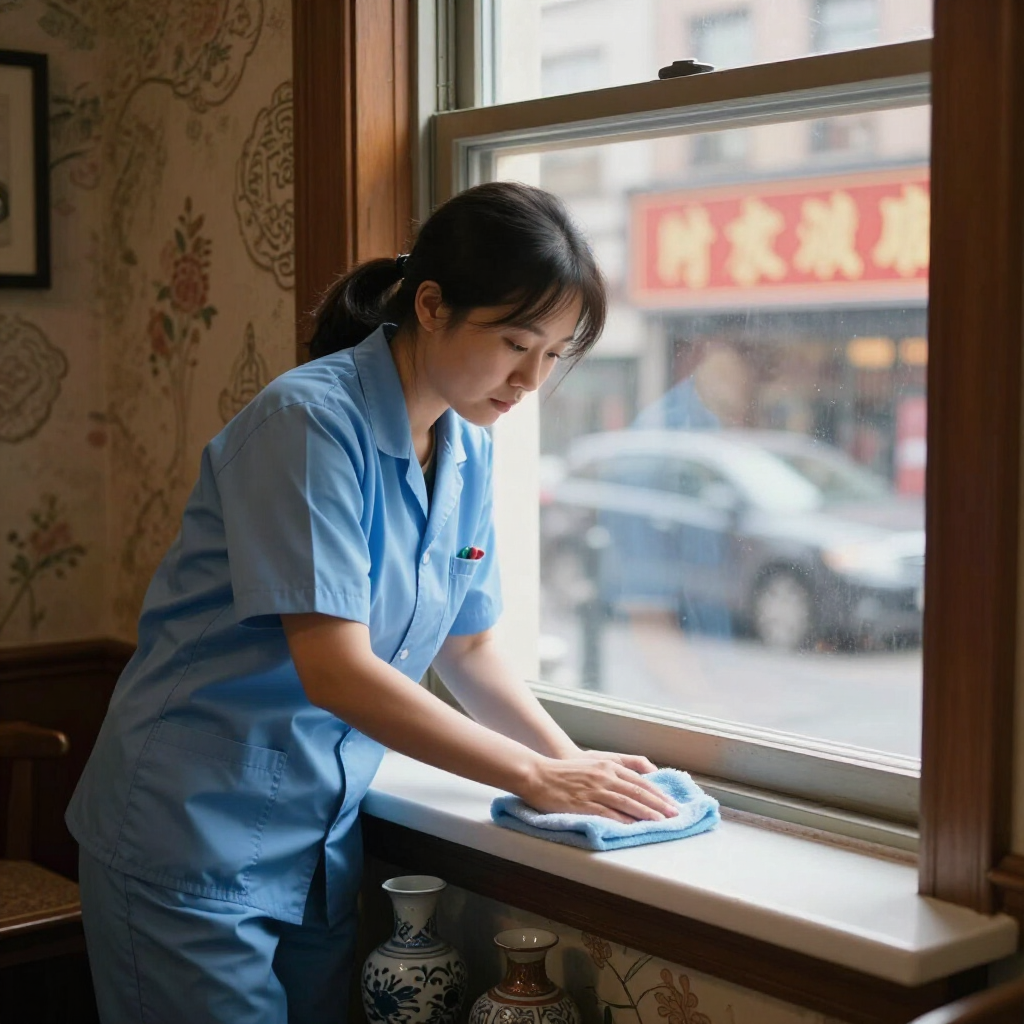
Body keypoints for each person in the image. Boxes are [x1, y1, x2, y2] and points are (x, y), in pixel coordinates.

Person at [66, 181, 678, 1024]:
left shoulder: (466, 447)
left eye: (555, 353)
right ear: (430, 305)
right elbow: (338, 672)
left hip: (316, 847)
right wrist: (536, 774)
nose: (531, 379)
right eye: (514, 342)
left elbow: (466, 651)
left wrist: (577, 777)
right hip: (189, 835)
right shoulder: (307, 423)